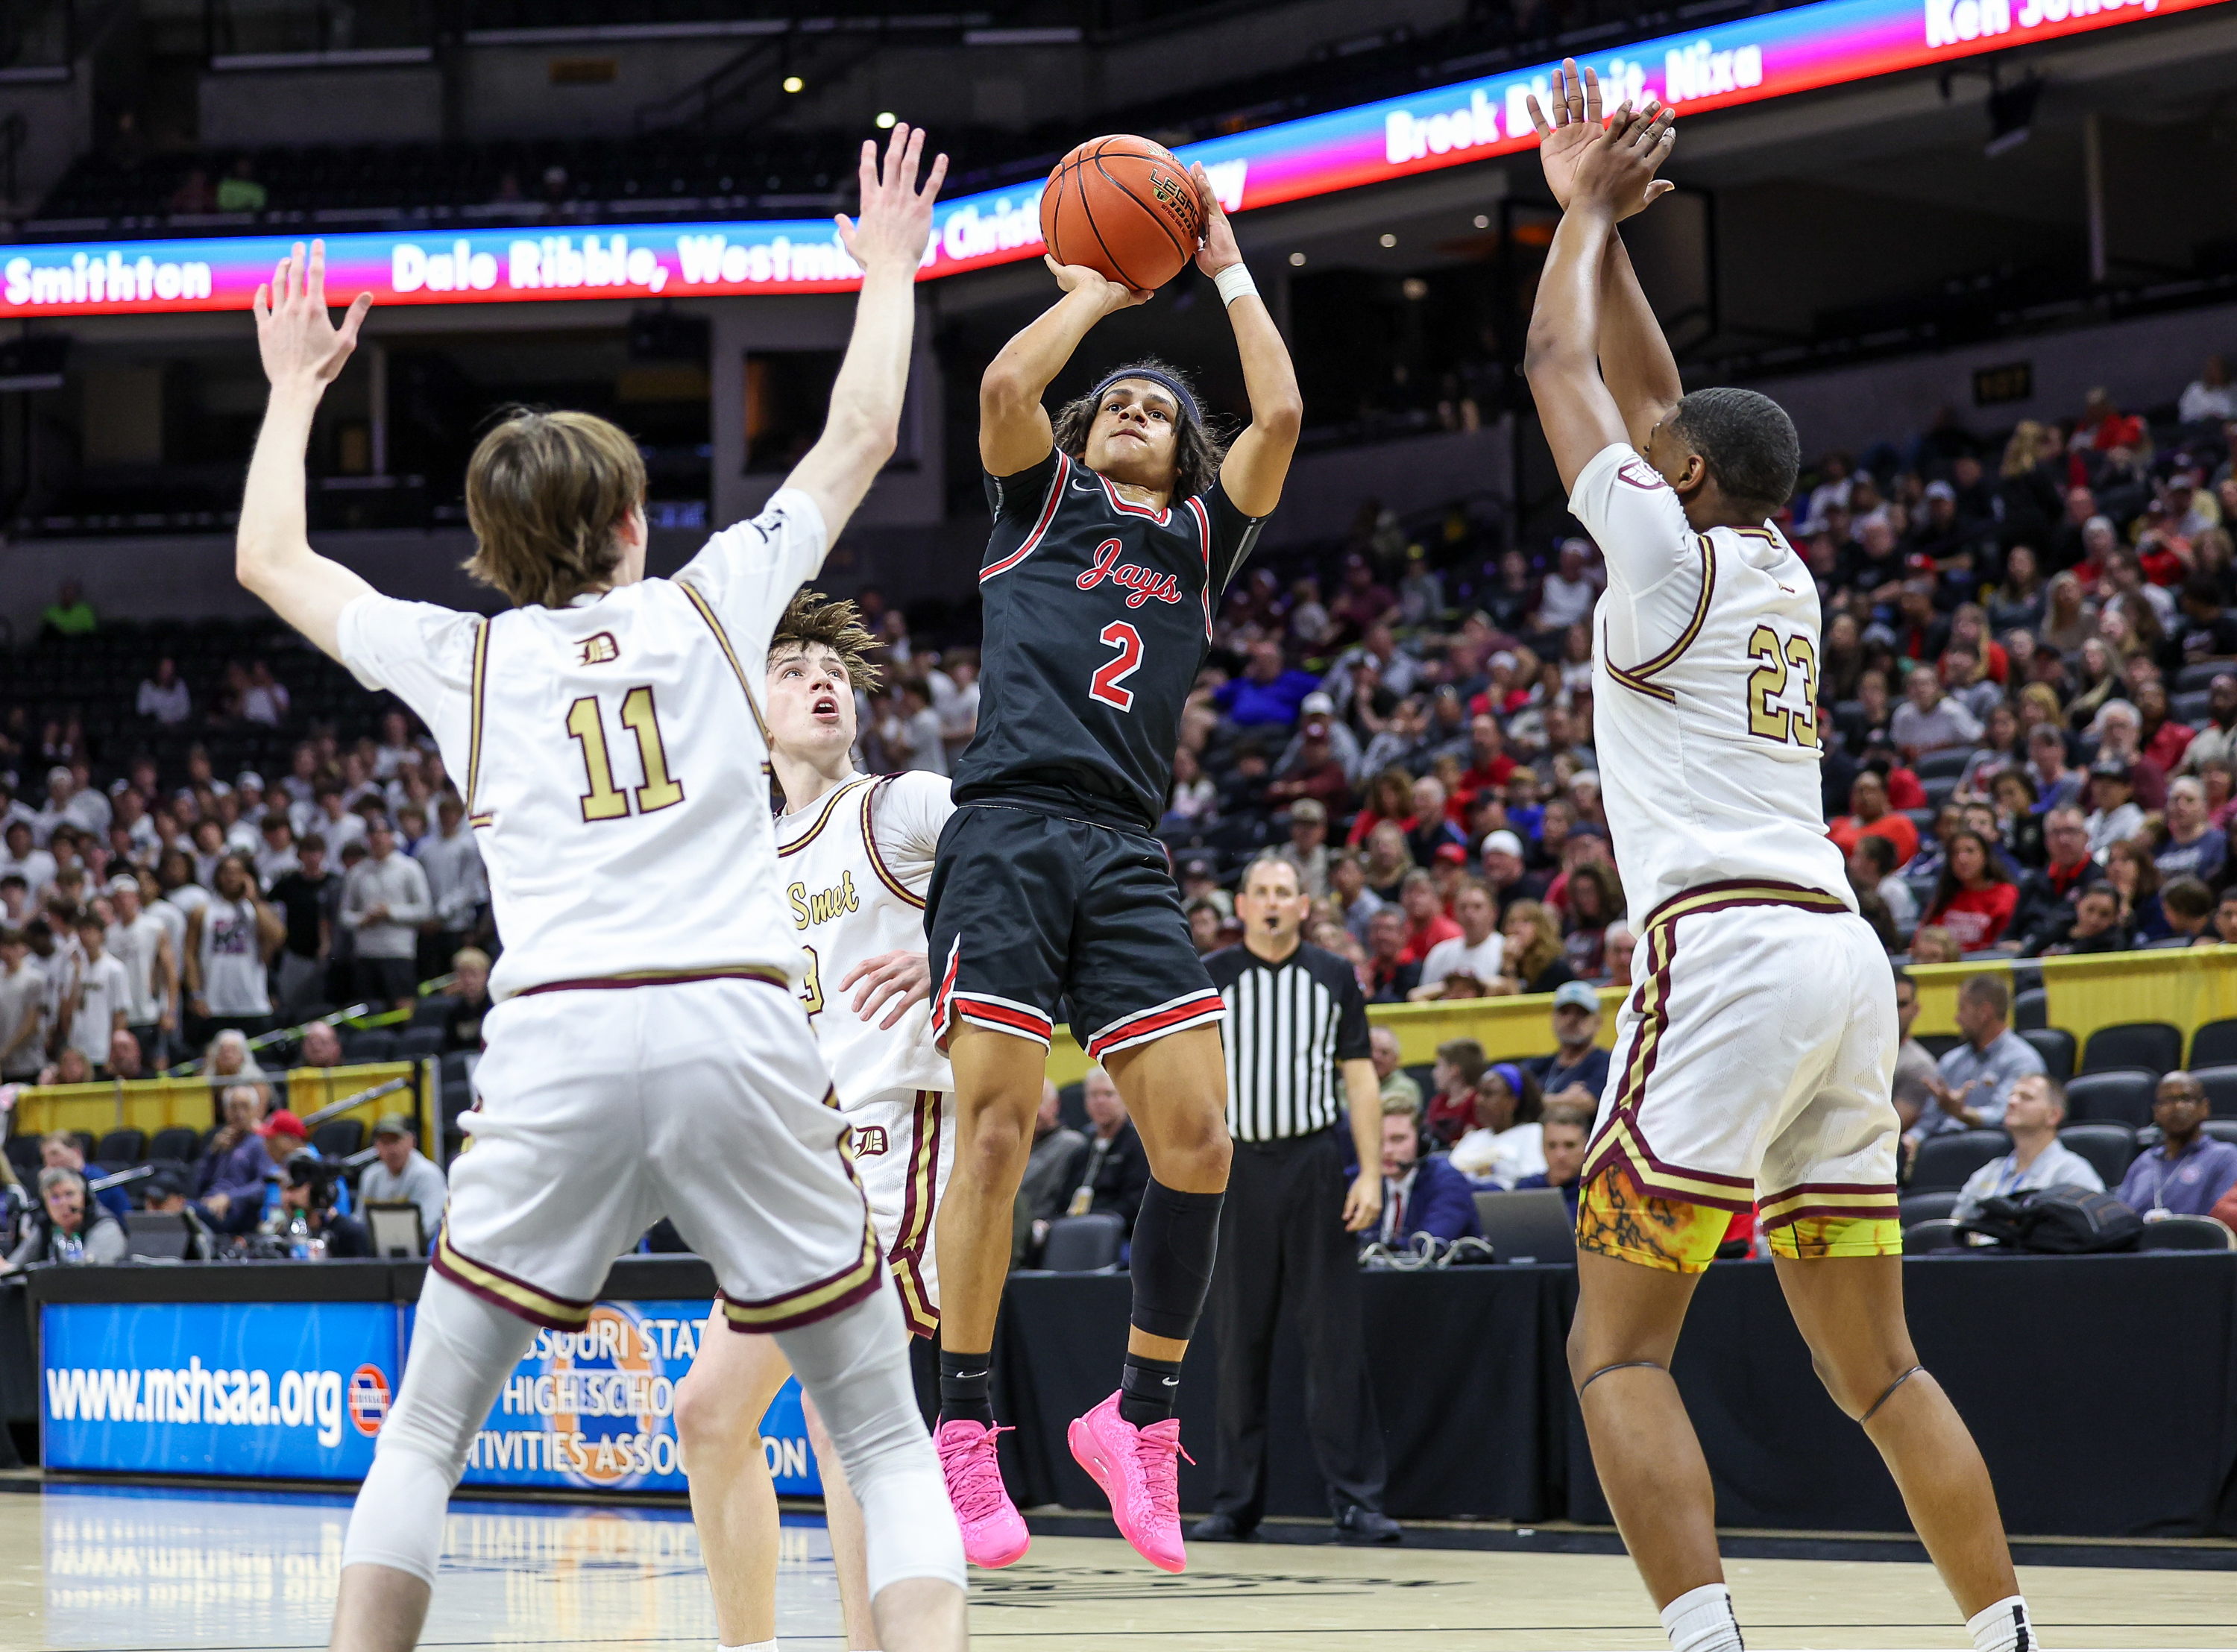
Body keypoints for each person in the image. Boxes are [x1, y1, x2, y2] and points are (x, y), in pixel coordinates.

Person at [235, 130, 966, 1652]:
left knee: (428, 1430)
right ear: (635, 523)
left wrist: (298, 392)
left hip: (558, 1040)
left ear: (487, 557)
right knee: (881, 1430)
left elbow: (270, 559)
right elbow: (858, 431)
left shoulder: (467, 653)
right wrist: (887, 270)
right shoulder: (712, 601)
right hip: (738, 1026)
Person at [1523, 69, 2031, 1652]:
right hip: (1842, 958)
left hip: (1728, 953)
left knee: (1613, 1351)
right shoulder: (1777, 558)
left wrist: (1575, 220)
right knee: (1877, 1366)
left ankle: (1705, 1639)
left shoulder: (1661, 555)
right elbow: (1652, 392)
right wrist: (1612, 240)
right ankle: (2003, 1630)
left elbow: (1558, 361)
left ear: (1676, 482)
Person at [927, 151, 1300, 1576]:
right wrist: (1088, 292)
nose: (1142, 412)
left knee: (1201, 1141)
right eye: (1124, 406)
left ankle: (1134, 1414)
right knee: (1003, 1134)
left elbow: (1278, 411)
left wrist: (1224, 271)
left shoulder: (1205, 539)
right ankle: (965, 1430)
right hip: (1011, 829)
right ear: (1093, 437)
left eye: (1162, 408)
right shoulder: (1038, 502)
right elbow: (1004, 399)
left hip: (1126, 848)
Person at [673, 590, 960, 1652]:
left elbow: (1031, 871)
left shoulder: (904, 804)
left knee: (848, 1425)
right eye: (789, 668)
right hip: (788, 1168)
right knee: (708, 1419)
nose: (819, 680)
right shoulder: (739, 859)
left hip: (894, 1137)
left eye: (829, 667)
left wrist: (954, 942)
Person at [1194, 854, 1397, 1545]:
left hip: (1314, 1164)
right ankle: (1235, 1501)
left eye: (1285, 892)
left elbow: (1361, 1079)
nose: (1274, 902)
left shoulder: (1334, 975)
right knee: (1235, 1341)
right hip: (1238, 1168)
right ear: (1242, 906)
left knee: (1334, 1339)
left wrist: (1369, 1173)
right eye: (1262, 892)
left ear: (1303, 906)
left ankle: (1357, 1499)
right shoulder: (1213, 976)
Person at [1948, 1075, 2103, 1223]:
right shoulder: (1988, 1172)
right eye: (2011, 1095)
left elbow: (2093, 1230)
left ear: (2053, 1115)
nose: (2012, 1102)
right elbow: (1956, 1226)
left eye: (2026, 1097)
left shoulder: (2072, 1172)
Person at [1914, 975, 2046, 1138]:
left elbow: (2004, 1114)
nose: (1957, 1019)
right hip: (1942, 1148)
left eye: (1962, 1009)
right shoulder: (1951, 1061)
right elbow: (1927, 1122)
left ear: (1984, 1012)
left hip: (1992, 1152)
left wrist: (1962, 1113)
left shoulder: (2022, 1061)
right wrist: (1911, 1140)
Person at [183, 852, 284, 1041]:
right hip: (214, 1004)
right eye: (226, 872)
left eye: (238, 872)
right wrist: (196, 994)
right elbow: (189, 955)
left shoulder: (257, 910)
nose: (231, 877)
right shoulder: (203, 911)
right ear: (217, 876)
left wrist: (253, 900)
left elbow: (277, 937)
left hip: (253, 1002)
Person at [2115, 1072, 2237, 1217]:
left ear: (2204, 1107)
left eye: (2185, 1099)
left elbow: (2221, 1219)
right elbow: (2119, 1217)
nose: (2177, 1107)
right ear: (2156, 1112)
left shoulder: (2224, 1156)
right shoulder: (2144, 1161)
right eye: (2167, 1101)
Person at [342, 818, 432, 1012]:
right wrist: (363, 920)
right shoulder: (357, 872)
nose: (378, 840)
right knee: (370, 1012)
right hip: (366, 954)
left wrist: (391, 912)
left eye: (383, 834)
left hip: (398, 953)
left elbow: (425, 910)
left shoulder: (409, 868)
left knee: (402, 1011)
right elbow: (345, 915)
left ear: (392, 837)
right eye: (373, 835)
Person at [1373, 1100, 1482, 1244]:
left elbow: (1430, 1243)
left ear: (1422, 1141)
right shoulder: (1361, 1182)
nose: (1386, 1151)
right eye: (1378, 1141)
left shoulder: (1447, 1180)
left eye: (1398, 1139)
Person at [1068, 1066, 1153, 1229]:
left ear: (1125, 1100)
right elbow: (1064, 1200)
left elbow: (1135, 1203)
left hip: (1117, 1233)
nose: (1100, 1102)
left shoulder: (1139, 1145)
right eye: (1093, 1095)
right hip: (1075, 1229)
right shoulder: (1082, 1147)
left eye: (1108, 1094)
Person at [107, 874, 177, 1068]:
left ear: (136, 898)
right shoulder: (109, 934)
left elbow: (169, 971)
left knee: (156, 1064)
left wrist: (169, 1010)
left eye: (127, 896)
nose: (123, 902)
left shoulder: (154, 927)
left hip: (149, 1011)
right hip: (123, 1015)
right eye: (118, 898)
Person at [1016, 1079, 1087, 1265]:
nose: (1032, 1111)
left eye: (1039, 1103)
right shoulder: (1014, 1148)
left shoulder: (1072, 1145)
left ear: (1055, 1105)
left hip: (1043, 1231)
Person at [1, 1167, 127, 1271]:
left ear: (85, 1198)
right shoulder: (46, 1227)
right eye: (55, 1198)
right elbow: (14, 1268)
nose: (63, 1203)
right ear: (46, 1205)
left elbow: (91, 1275)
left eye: (69, 1194)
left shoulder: (105, 1227)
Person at [268, 833, 339, 1016]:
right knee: (290, 1004)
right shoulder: (288, 883)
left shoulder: (334, 883)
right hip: (296, 954)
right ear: (300, 855)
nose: (312, 857)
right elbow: (266, 906)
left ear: (323, 854)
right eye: (307, 852)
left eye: (316, 852)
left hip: (328, 957)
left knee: (323, 1006)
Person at [1919, 830, 2019, 953]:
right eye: (1955, 853)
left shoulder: (2006, 894)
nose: (1962, 859)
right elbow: (1921, 939)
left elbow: (2005, 941)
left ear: (1985, 856)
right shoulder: (1944, 896)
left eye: (1970, 851)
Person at [1410, 878, 1506, 1000]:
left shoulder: (1504, 950)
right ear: (1455, 912)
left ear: (1494, 912)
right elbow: (1419, 999)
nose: (1469, 913)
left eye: (1477, 907)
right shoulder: (1440, 952)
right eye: (1463, 907)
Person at [358, 1115, 447, 1242]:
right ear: (376, 1146)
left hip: (421, 1255)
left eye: (396, 1141)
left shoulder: (427, 1175)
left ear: (411, 1141)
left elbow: (429, 1227)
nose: (391, 1149)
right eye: (384, 1142)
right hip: (378, 1253)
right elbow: (360, 1222)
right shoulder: (370, 1176)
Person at [1528, 980, 1612, 1100]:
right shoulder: (1539, 1065)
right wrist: (1563, 1099)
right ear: (1553, 1018)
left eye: (1582, 1013)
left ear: (1598, 1022)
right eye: (1564, 1012)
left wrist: (1534, 1102)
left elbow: (1586, 1104)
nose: (1571, 1019)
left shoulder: (1607, 1064)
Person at [1512, 1098, 1593, 1220]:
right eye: (1552, 1145)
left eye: (1569, 1145)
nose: (1560, 1155)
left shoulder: (1597, 1194)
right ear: (1542, 1146)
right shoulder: (1526, 1190)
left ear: (1586, 1146)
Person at [1370, 1025, 1420, 1115]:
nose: (1376, 1057)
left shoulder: (1406, 1089)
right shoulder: (1343, 1087)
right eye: (1371, 1051)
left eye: (1384, 1053)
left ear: (1396, 1060)